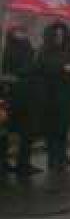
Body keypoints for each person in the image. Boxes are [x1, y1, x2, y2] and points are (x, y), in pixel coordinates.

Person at [37, 22, 70, 172]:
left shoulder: (67, 50)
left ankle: (62, 156)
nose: (60, 38)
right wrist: (62, 68)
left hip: (66, 94)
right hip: (51, 95)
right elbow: (43, 67)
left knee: (63, 127)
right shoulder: (44, 51)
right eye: (57, 35)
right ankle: (53, 159)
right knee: (52, 129)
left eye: (62, 35)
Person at [2, 24, 41, 176]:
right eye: (18, 32)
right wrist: (28, 69)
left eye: (23, 31)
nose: (22, 34)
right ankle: (9, 163)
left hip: (30, 95)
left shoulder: (29, 49)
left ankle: (24, 163)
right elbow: (8, 73)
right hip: (16, 97)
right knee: (10, 132)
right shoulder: (10, 50)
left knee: (28, 132)